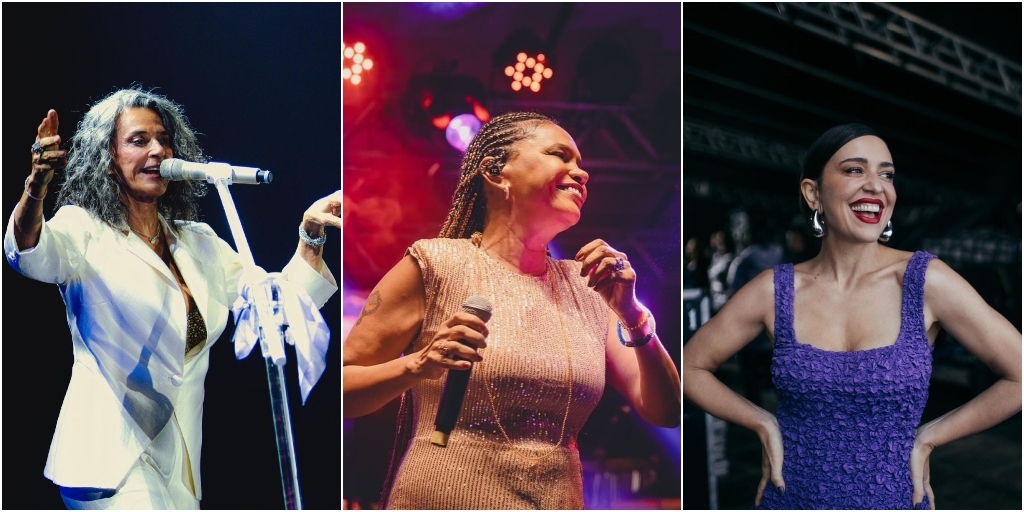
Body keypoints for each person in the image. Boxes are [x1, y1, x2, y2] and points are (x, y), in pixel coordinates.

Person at [4, 88, 340, 509]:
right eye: (138, 140)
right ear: (106, 156)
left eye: (163, 139)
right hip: (110, 461)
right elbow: (28, 253)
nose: (158, 151)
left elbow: (277, 306)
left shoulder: (197, 242)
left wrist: (310, 235)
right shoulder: (84, 230)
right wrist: (36, 188)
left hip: (178, 461)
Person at [342, 111, 681, 509]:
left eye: (581, 164)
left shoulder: (591, 290)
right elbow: (344, 390)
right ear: (495, 171)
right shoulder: (435, 265)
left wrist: (633, 315)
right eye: (561, 155)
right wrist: (418, 365)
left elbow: (667, 411)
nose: (581, 173)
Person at [682, 123, 1022, 510]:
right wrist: (763, 422)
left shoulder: (926, 281)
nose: (876, 186)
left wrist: (931, 436)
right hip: (791, 498)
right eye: (855, 170)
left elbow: (1020, 374)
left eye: (887, 174)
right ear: (813, 194)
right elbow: (690, 367)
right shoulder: (774, 290)